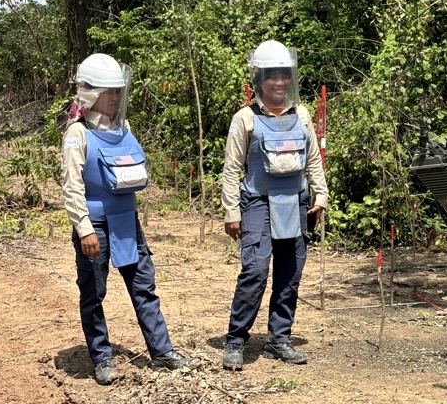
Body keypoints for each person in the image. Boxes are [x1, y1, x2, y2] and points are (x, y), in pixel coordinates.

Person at [61, 53, 199, 385]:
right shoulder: (77, 135)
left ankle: (162, 351)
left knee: (143, 287)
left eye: (119, 92)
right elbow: (72, 187)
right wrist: (84, 230)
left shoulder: (124, 128)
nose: (116, 99)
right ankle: (102, 358)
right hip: (95, 227)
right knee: (94, 292)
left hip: (127, 223)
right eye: (110, 92)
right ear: (91, 94)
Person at [220, 40, 328, 370]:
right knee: (254, 270)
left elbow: (312, 159)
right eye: (272, 77)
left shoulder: (302, 114)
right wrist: (231, 211)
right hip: (257, 203)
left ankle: (279, 340)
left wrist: (320, 195)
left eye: (284, 76)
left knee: (290, 273)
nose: (279, 83)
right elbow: (231, 168)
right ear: (259, 81)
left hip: (295, 202)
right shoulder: (246, 119)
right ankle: (236, 340)